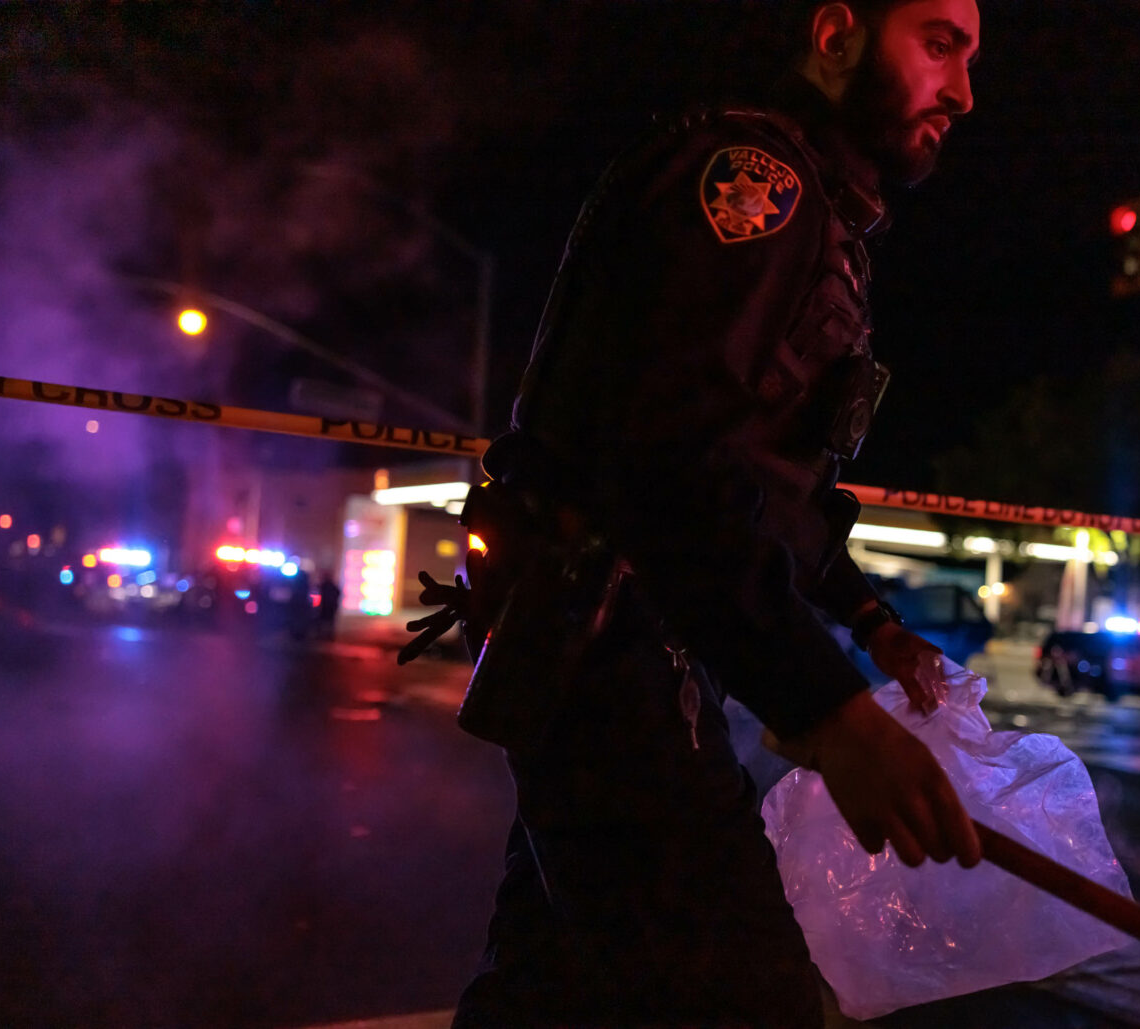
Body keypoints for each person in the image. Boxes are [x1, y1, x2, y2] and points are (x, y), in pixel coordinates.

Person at [405, 2, 983, 1025]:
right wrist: (830, 714)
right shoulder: (755, 185)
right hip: (613, 658)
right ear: (838, 33)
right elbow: (666, 467)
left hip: (631, 660)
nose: (962, 91)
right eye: (938, 43)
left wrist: (871, 625)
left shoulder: (821, 215)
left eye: (968, 57)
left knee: (548, 998)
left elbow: (762, 482)